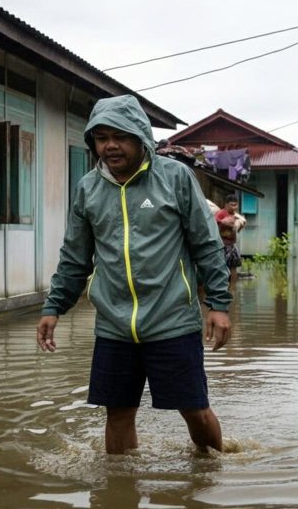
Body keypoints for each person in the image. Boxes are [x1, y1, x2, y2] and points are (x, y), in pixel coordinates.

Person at [36, 95, 232, 454]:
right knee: (118, 413)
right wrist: (54, 307)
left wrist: (218, 304)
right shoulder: (88, 189)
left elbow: (207, 244)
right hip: (114, 324)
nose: (110, 145)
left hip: (172, 320)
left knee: (194, 410)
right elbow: (75, 258)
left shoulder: (175, 178)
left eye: (120, 136)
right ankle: (120, 493)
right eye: (101, 137)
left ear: (140, 136)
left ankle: (210, 473)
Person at [215, 195, 245, 287]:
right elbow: (214, 220)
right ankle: (222, 287)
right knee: (222, 267)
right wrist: (224, 222)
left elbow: (242, 222)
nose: (234, 207)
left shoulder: (236, 216)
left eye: (235, 205)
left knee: (233, 267)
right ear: (226, 205)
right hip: (222, 245)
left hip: (232, 245)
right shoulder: (221, 213)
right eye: (232, 205)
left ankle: (233, 288)